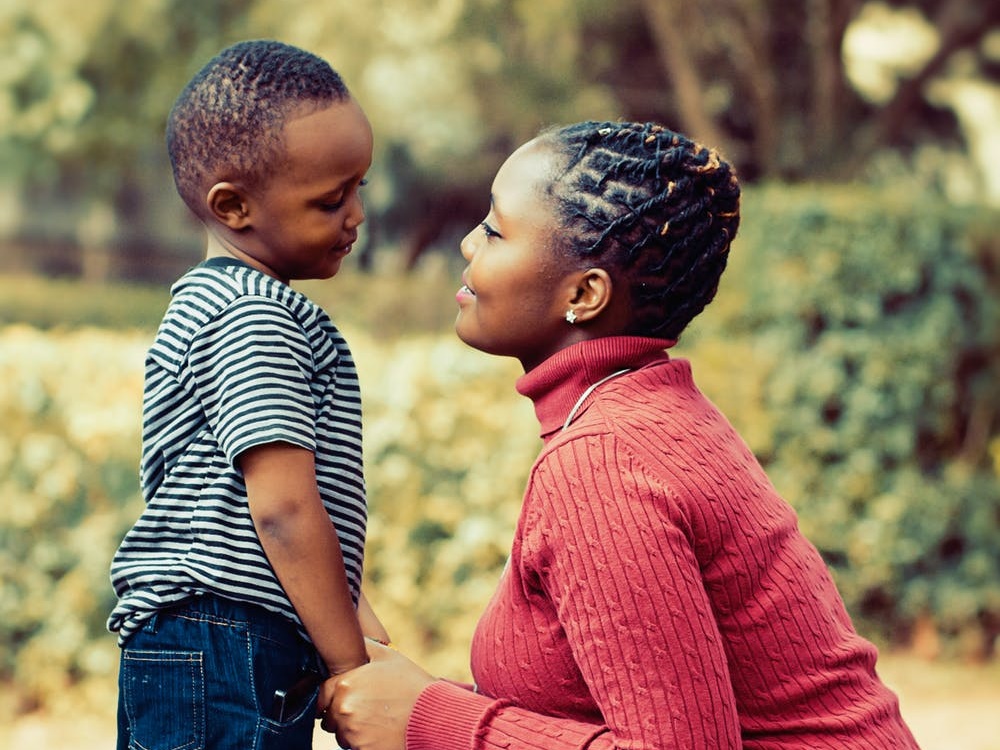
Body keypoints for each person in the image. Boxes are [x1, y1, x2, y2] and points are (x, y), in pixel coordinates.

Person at [324, 121, 920, 749]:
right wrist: (425, 699)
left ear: (585, 293)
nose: (470, 243)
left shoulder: (604, 461)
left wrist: (428, 721)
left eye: (496, 231)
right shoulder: (644, 414)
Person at [107, 40, 390, 750]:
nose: (356, 215)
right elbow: (285, 510)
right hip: (223, 642)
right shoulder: (250, 314)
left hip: (224, 642)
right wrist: (351, 667)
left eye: (360, 186)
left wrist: (361, 622)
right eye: (331, 200)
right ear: (233, 206)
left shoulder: (230, 303)